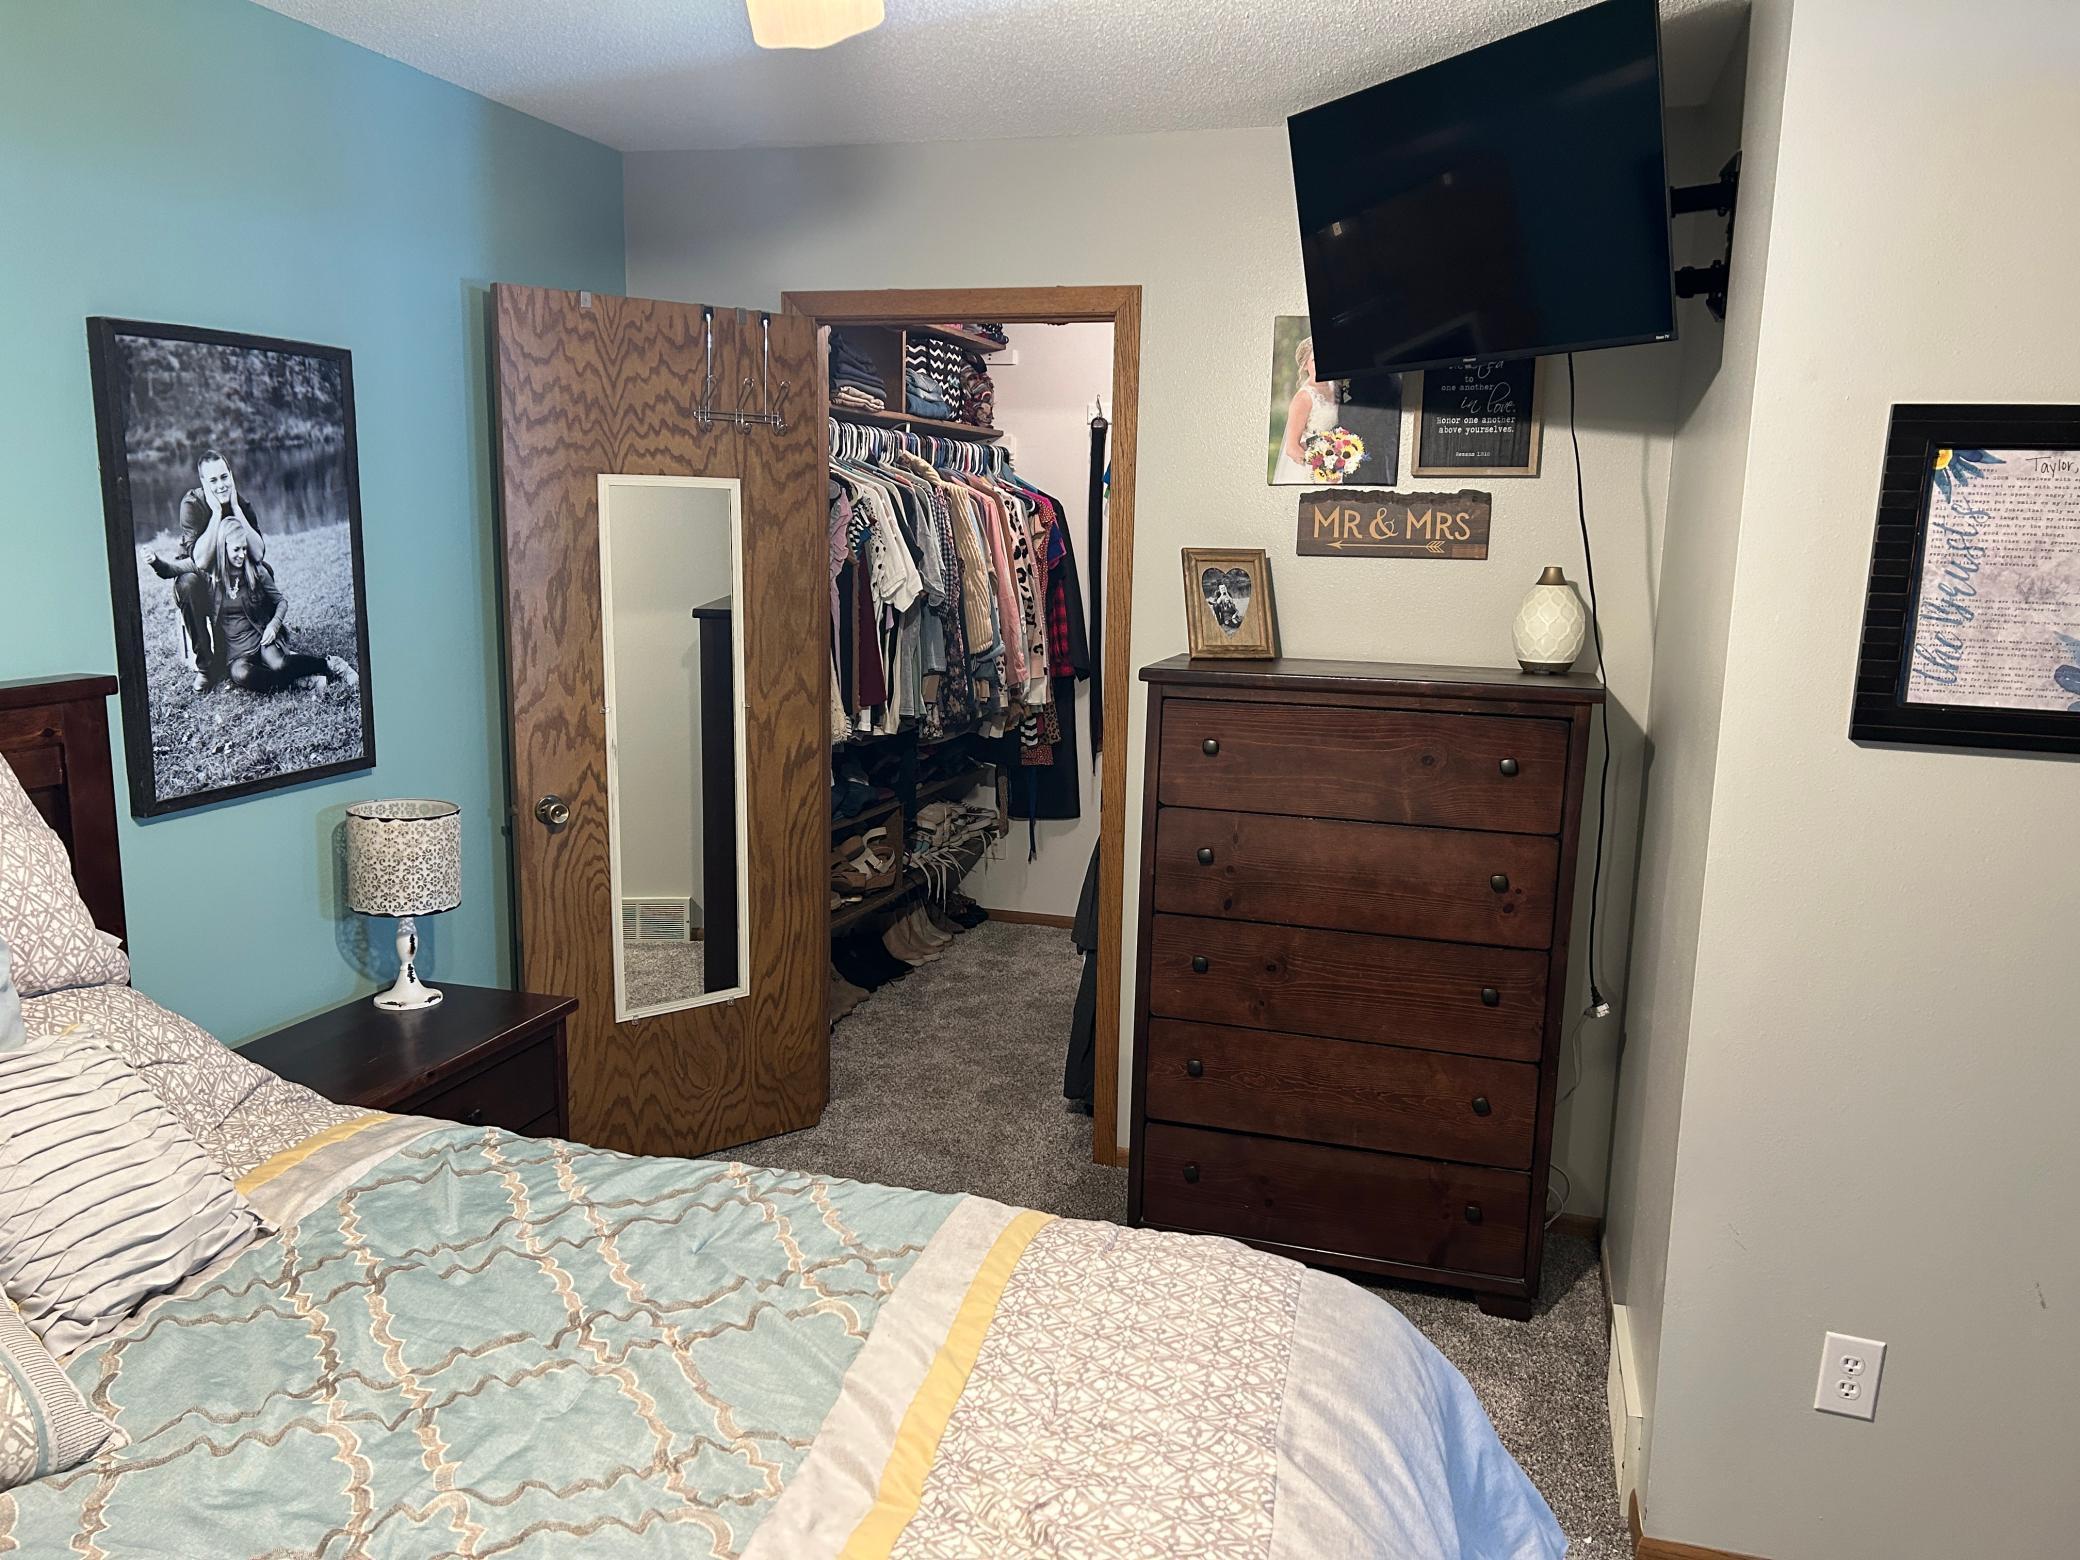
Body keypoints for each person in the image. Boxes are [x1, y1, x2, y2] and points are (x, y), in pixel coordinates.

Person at [142, 449, 268, 690]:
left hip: (230, 574)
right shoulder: (192, 504)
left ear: (231, 474)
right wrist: (217, 513)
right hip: (198, 576)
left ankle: (261, 644)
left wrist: (235, 509)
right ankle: (206, 667)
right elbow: (200, 561)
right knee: (187, 584)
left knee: (265, 572)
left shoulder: (240, 503)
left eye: (224, 477)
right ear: (203, 482)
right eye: (213, 480)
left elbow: (259, 553)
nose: (221, 485)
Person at [201, 516, 357, 694]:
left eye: (244, 548)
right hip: (236, 653)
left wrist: (273, 626)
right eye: (236, 549)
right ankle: (302, 681)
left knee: (279, 665)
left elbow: (281, 602)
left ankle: (332, 664)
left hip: (262, 639)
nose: (242, 555)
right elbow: (185, 568)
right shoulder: (212, 579)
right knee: (242, 675)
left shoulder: (256, 571)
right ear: (223, 547)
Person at [1271, 336, 1346, 485]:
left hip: (1338, 464)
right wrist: (1322, 470)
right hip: (1313, 472)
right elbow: (1292, 448)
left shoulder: (1337, 386)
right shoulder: (1304, 398)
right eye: (1314, 360)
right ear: (1305, 365)